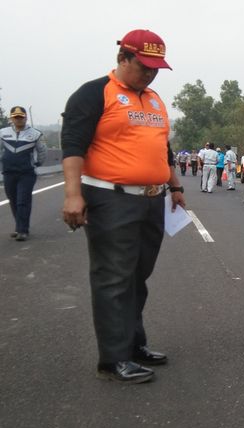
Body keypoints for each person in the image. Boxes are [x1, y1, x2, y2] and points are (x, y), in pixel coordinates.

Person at [60, 29, 185, 384]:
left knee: (137, 276)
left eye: (156, 68)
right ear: (122, 58)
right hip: (110, 198)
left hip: (151, 200)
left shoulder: (156, 100)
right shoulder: (94, 93)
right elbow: (72, 146)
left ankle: (133, 344)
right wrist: (73, 194)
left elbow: (163, 149)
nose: (150, 74)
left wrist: (175, 186)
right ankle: (113, 360)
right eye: (143, 66)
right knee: (113, 278)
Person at [1, 106, 47, 241]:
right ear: (11, 119)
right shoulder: (3, 133)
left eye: (21, 116)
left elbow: (42, 151)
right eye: (16, 117)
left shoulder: (35, 134)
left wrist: (37, 163)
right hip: (8, 172)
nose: (18, 119)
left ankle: (23, 230)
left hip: (26, 173)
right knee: (13, 201)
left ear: (25, 117)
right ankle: (19, 227)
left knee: (22, 201)